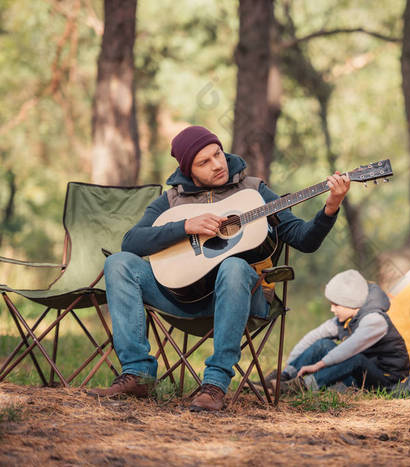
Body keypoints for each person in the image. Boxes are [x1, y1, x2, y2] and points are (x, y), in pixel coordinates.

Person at [90, 125, 350, 411]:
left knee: (234, 267)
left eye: (218, 154)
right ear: (188, 171)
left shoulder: (254, 191)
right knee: (118, 263)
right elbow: (131, 242)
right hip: (180, 298)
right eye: (204, 162)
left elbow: (304, 239)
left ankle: (214, 384)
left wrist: (331, 206)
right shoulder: (172, 200)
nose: (217, 165)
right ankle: (137, 374)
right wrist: (184, 226)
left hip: (242, 297)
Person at [270, 269, 410, 393]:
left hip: (385, 381)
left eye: (336, 304)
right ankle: (282, 378)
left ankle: (302, 386)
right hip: (359, 372)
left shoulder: (375, 321)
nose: (332, 309)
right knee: (323, 344)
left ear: (352, 303)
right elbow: (314, 336)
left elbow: (350, 348)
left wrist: (319, 365)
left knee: (355, 358)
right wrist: (290, 364)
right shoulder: (346, 319)